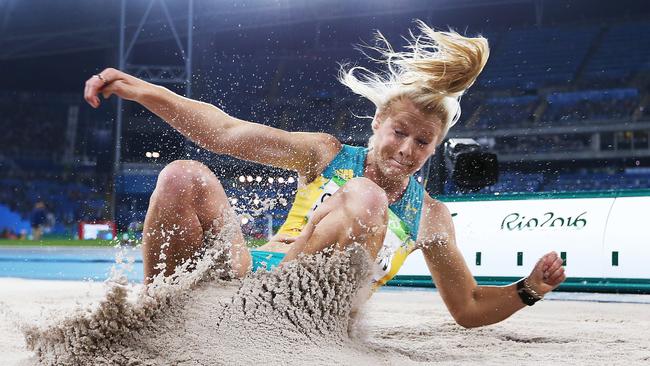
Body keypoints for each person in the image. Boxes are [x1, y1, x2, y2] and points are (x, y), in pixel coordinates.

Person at [84, 20, 565, 328]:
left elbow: (470, 307)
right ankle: (155, 319)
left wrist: (530, 290)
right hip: (252, 274)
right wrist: (145, 90)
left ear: (435, 149)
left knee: (367, 197)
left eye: (423, 143)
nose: (405, 149)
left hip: (307, 315)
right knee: (182, 175)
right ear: (377, 123)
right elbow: (225, 133)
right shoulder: (325, 154)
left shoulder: (431, 217)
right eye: (399, 131)